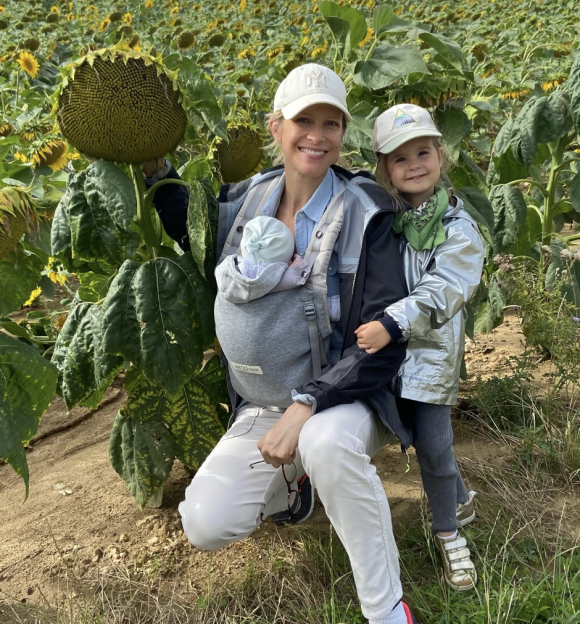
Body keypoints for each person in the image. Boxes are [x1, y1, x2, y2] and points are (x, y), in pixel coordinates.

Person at [150, 63, 420, 624]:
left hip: (349, 398)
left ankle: (387, 608)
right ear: (276, 127)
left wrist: (308, 403)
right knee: (204, 521)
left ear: (345, 132)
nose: (317, 137)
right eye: (303, 121)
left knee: (323, 441)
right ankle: (295, 481)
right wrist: (151, 160)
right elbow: (189, 226)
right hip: (262, 404)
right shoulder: (247, 198)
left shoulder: (370, 212)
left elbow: (382, 342)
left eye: (331, 123)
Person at [354, 103, 485, 591]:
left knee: (432, 446)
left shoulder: (458, 229)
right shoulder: (382, 221)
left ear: (441, 156)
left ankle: (449, 533)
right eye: (400, 157)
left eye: (423, 152)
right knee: (400, 430)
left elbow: (446, 288)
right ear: (384, 169)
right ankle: (460, 496)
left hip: (427, 359)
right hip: (383, 359)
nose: (413, 164)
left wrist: (393, 321)